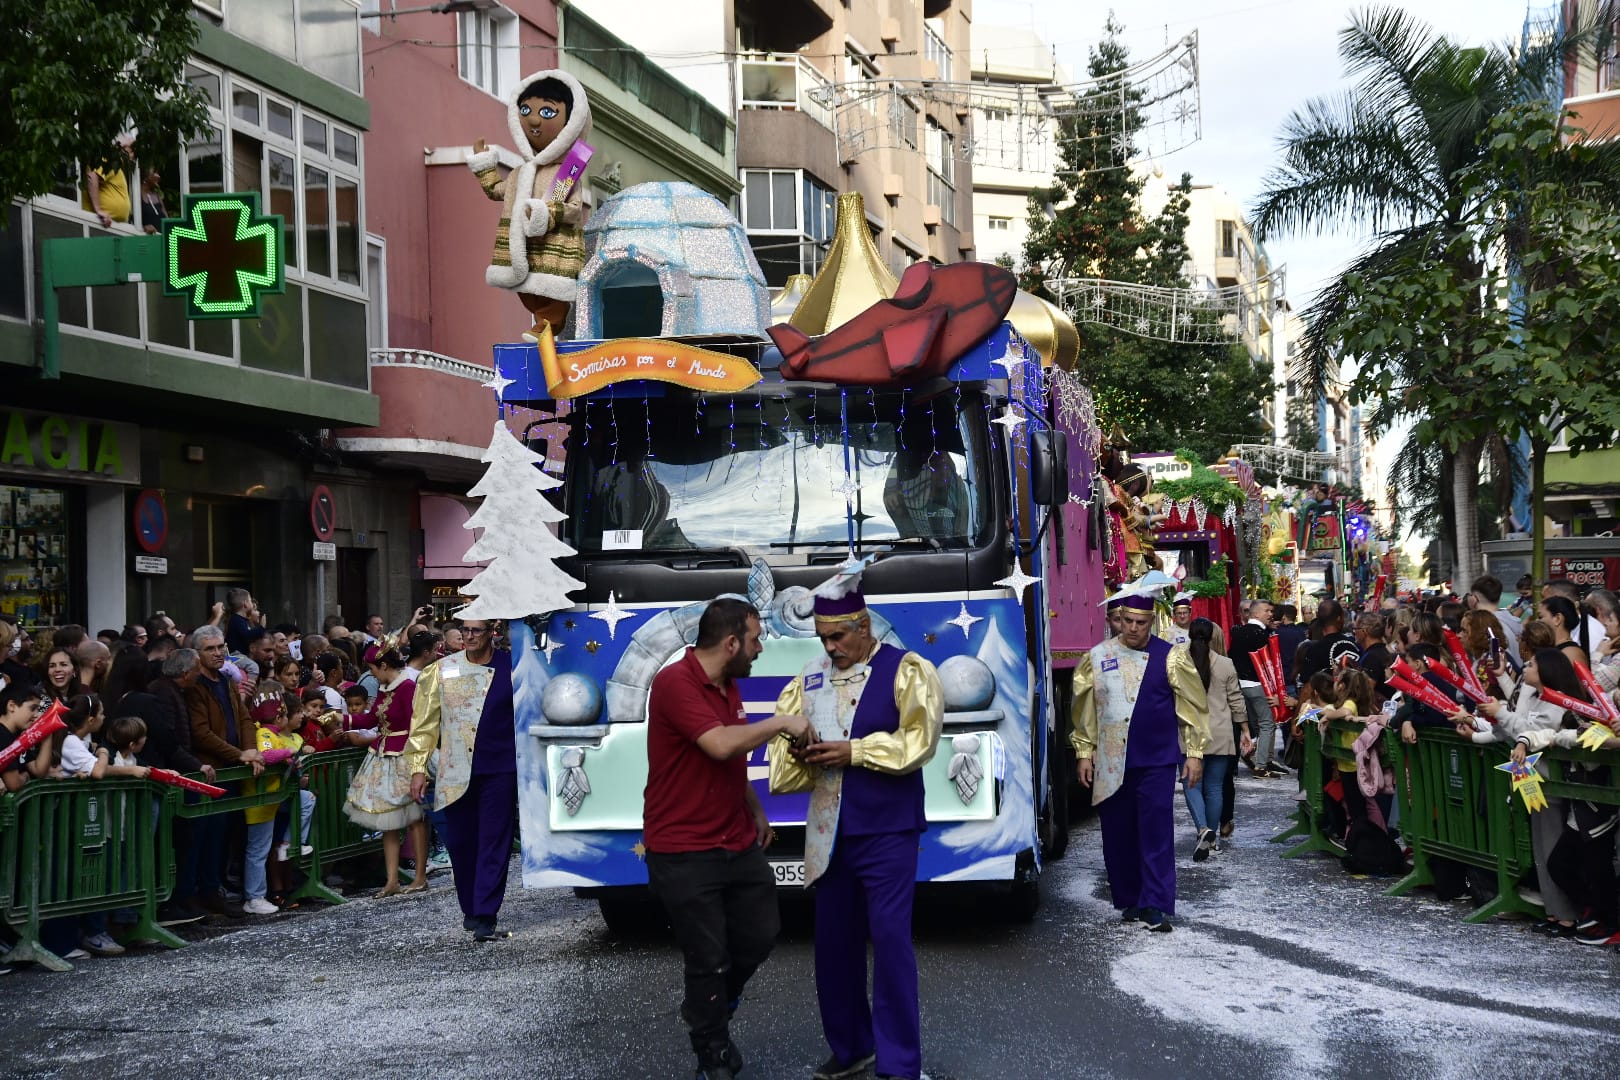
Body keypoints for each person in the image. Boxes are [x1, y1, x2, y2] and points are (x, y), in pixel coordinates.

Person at [766, 568, 943, 1080]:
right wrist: (801, 751)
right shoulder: (810, 675)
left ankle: (899, 1064)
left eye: (839, 636)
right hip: (828, 830)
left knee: (890, 942)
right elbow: (786, 761)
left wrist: (855, 751)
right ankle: (851, 1048)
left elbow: (920, 742)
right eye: (824, 638)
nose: (831, 646)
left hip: (887, 829)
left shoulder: (908, 669)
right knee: (833, 946)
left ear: (863, 626)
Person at [644, 598, 810, 1080]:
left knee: (760, 934)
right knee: (708, 956)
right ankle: (712, 1052)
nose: (761, 648)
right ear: (732, 642)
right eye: (756, 639)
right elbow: (717, 743)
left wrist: (756, 810)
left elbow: (729, 759)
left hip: (734, 839)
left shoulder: (728, 685)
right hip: (682, 847)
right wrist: (781, 722)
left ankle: (707, 1007)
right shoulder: (675, 682)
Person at [1071, 578, 1210, 932]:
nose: (1134, 628)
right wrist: (1084, 752)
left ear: (1152, 622)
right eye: (1128, 621)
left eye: (1141, 622)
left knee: (1155, 833)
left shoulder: (1173, 656)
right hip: (1111, 760)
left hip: (1157, 760)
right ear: (1118, 618)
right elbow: (1086, 709)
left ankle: (1156, 903)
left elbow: (1193, 706)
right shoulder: (1097, 657)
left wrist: (1193, 752)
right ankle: (1130, 898)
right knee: (1117, 834)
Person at [406, 618, 518, 941]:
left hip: (500, 768)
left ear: (491, 633)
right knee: (460, 841)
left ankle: (486, 913)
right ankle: (470, 907)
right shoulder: (439, 671)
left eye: (477, 631)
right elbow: (424, 724)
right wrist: (417, 767)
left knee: (494, 841)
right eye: (465, 630)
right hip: (454, 769)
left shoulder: (512, 667)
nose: (469, 637)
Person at [184, 626, 265, 918]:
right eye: (210, 648)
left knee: (222, 833)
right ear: (197, 653)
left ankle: (213, 889)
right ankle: (193, 894)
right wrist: (240, 754)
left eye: (220, 647)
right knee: (200, 835)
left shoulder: (227, 681)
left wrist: (252, 751)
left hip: (231, 770)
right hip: (209, 772)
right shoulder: (194, 686)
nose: (218, 653)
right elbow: (201, 733)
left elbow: (244, 719)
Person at [344, 647, 429, 898]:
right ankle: (392, 880)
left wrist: (418, 763)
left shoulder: (407, 688)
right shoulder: (384, 689)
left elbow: (418, 725)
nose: (370, 674)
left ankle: (420, 876)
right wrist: (341, 720)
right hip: (382, 756)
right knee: (386, 818)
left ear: (382, 666)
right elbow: (372, 719)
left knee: (414, 817)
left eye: (371, 668)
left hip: (404, 756)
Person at [1182, 619, 1247, 860]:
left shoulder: (1179, 662)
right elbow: (1236, 699)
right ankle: (1211, 840)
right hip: (1220, 732)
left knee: (1192, 785)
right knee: (1215, 787)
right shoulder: (1226, 664)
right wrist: (1245, 727)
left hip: (1188, 733)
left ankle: (1203, 830)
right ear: (1211, 638)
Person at [1229, 599, 1281, 778]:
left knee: (1256, 725)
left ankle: (1258, 758)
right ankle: (1261, 765)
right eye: (1267, 611)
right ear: (1256, 613)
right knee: (1267, 724)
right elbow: (1270, 664)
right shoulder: (1262, 634)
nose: (1270, 614)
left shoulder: (1237, 632)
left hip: (1241, 685)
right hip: (1259, 685)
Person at [1354, 613, 1393, 705]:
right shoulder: (1384, 651)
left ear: (1364, 632)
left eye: (1356, 629)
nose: (1354, 632)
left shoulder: (1372, 657)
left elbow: (1365, 693)